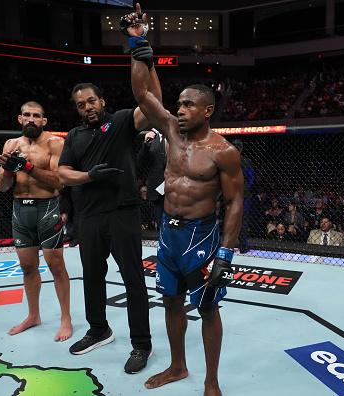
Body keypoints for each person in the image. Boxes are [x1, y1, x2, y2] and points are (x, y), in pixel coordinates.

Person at [128, 6, 244, 395]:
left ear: (207, 110)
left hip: (202, 237)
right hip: (167, 234)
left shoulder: (222, 151)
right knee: (170, 301)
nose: (179, 109)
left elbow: (235, 203)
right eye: (177, 104)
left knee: (208, 307)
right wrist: (137, 43)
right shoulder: (170, 132)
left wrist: (226, 255)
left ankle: (212, 381)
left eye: (188, 105)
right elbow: (142, 94)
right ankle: (178, 367)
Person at [57, 8, 162, 372]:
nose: (87, 107)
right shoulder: (73, 136)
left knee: (133, 280)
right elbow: (63, 174)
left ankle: (142, 344)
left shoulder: (119, 122)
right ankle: (98, 330)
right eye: (81, 104)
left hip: (122, 211)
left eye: (92, 101)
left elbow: (151, 106)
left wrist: (142, 54)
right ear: (77, 109)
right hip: (88, 216)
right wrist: (88, 177)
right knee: (92, 278)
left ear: (102, 101)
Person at [0, 101, 72, 342]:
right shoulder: (11, 144)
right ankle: (33, 315)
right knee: (28, 267)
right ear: (20, 119)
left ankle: (65, 319)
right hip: (20, 210)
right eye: (26, 115)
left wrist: (26, 167)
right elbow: (2, 186)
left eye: (36, 115)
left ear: (44, 120)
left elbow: (59, 182)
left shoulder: (55, 143)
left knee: (56, 266)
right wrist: (9, 171)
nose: (31, 119)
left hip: (47, 207)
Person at [136, 128, 166, 231]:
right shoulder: (152, 138)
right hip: (157, 187)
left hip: (174, 185)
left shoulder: (178, 134)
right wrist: (146, 143)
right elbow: (140, 162)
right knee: (160, 222)